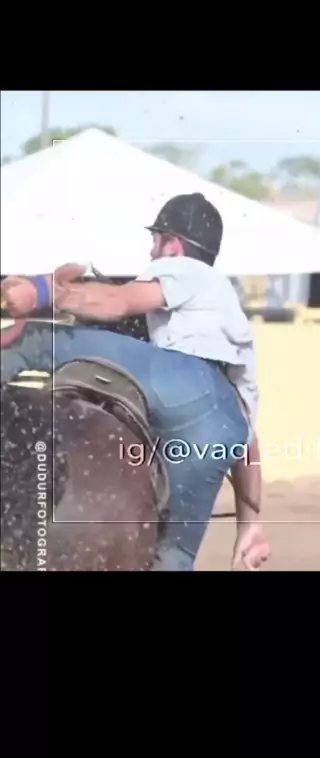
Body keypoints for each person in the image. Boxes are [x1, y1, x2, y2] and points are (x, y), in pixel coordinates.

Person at [1, 193, 271, 571]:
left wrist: (44, 292)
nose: (151, 251)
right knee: (175, 557)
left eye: (155, 241)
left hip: (177, 380)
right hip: (221, 426)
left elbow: (119, 302)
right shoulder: (229, 314)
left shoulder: (186, 270)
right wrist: (250, 525)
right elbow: (246, 440)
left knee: (31, 340)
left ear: (172, 245)